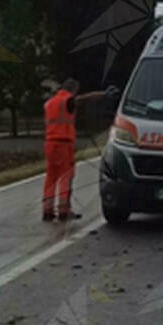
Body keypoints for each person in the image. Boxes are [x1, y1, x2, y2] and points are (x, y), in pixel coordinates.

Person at [41, 79, 115, 221]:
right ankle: (64, 210)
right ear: (73, 90)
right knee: (65, 176)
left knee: (51, 177)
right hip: (64, 143)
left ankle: (47, 210)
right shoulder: (67, 100)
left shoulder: (49, 103)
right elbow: (83, 99)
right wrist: (103, 94)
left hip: (50, 143)